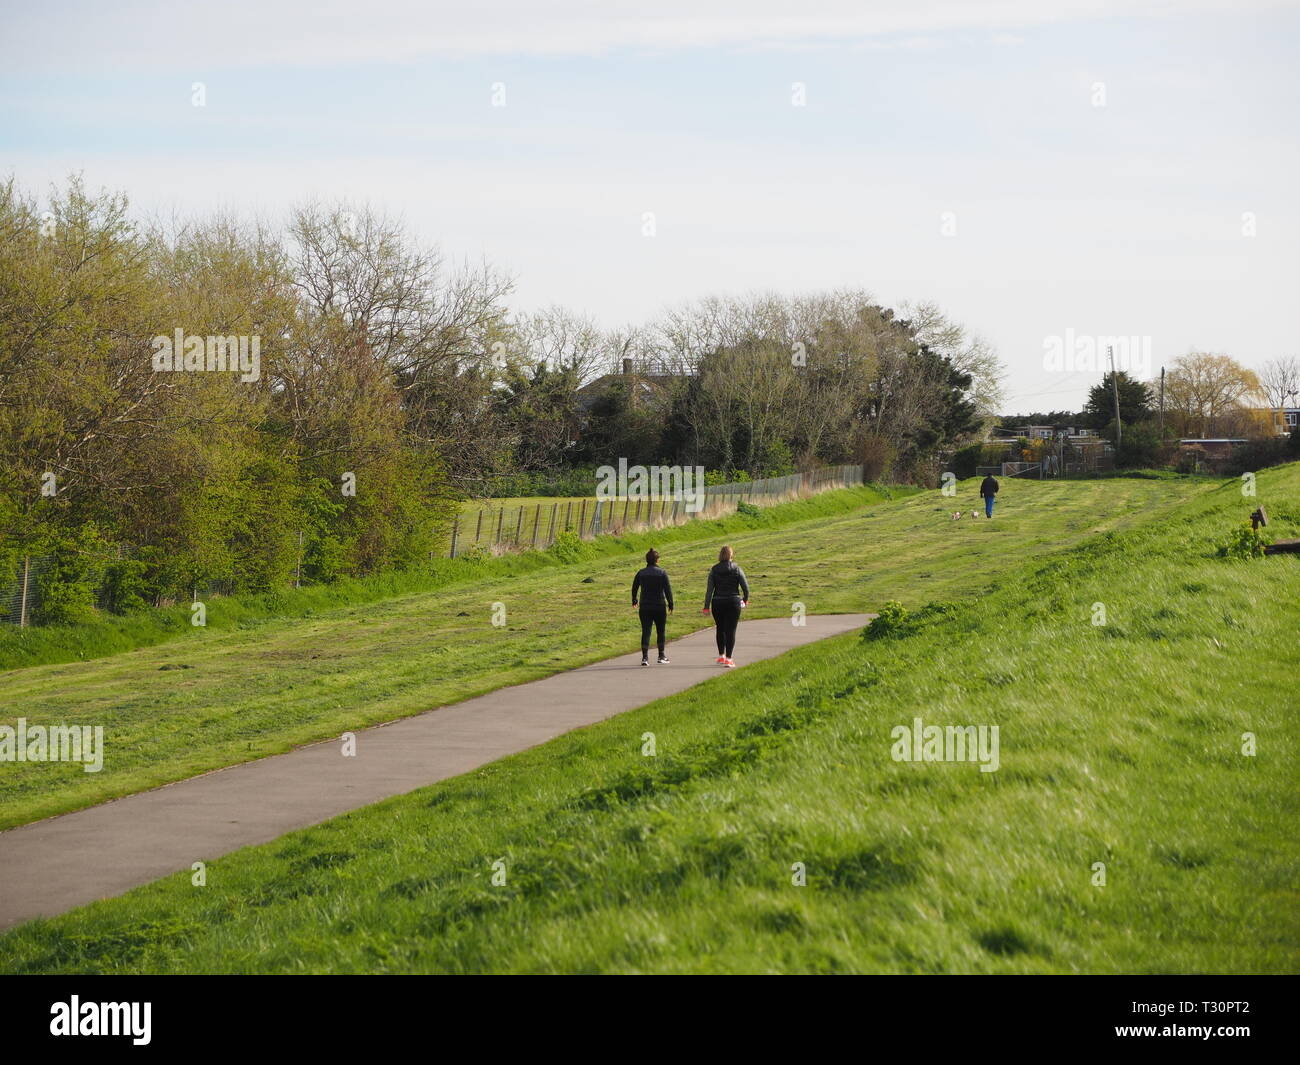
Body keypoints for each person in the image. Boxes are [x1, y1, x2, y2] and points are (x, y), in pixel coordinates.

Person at [702, 544, 749, 668]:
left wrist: (706, 607)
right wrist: (745, 599)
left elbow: (709, 590)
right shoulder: (737, 568)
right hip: (733, 601)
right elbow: (746, 587)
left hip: (717, 602)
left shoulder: (714, 570)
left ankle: (721, 656)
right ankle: (729, 658)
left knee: (720, 628)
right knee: (731, 630)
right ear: (731, 555)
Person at [631, 548, 673, 666]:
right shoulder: (662, 573)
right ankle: (661, 655)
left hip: (645, 606)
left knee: (646, 631)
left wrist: (634, 599)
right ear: (657, 560)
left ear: (646, 560)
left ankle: (645, 658)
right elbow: (667, 589)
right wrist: (670, 603)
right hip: (659, 605)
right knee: (661, 631)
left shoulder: (641, 573)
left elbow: (634, 587)